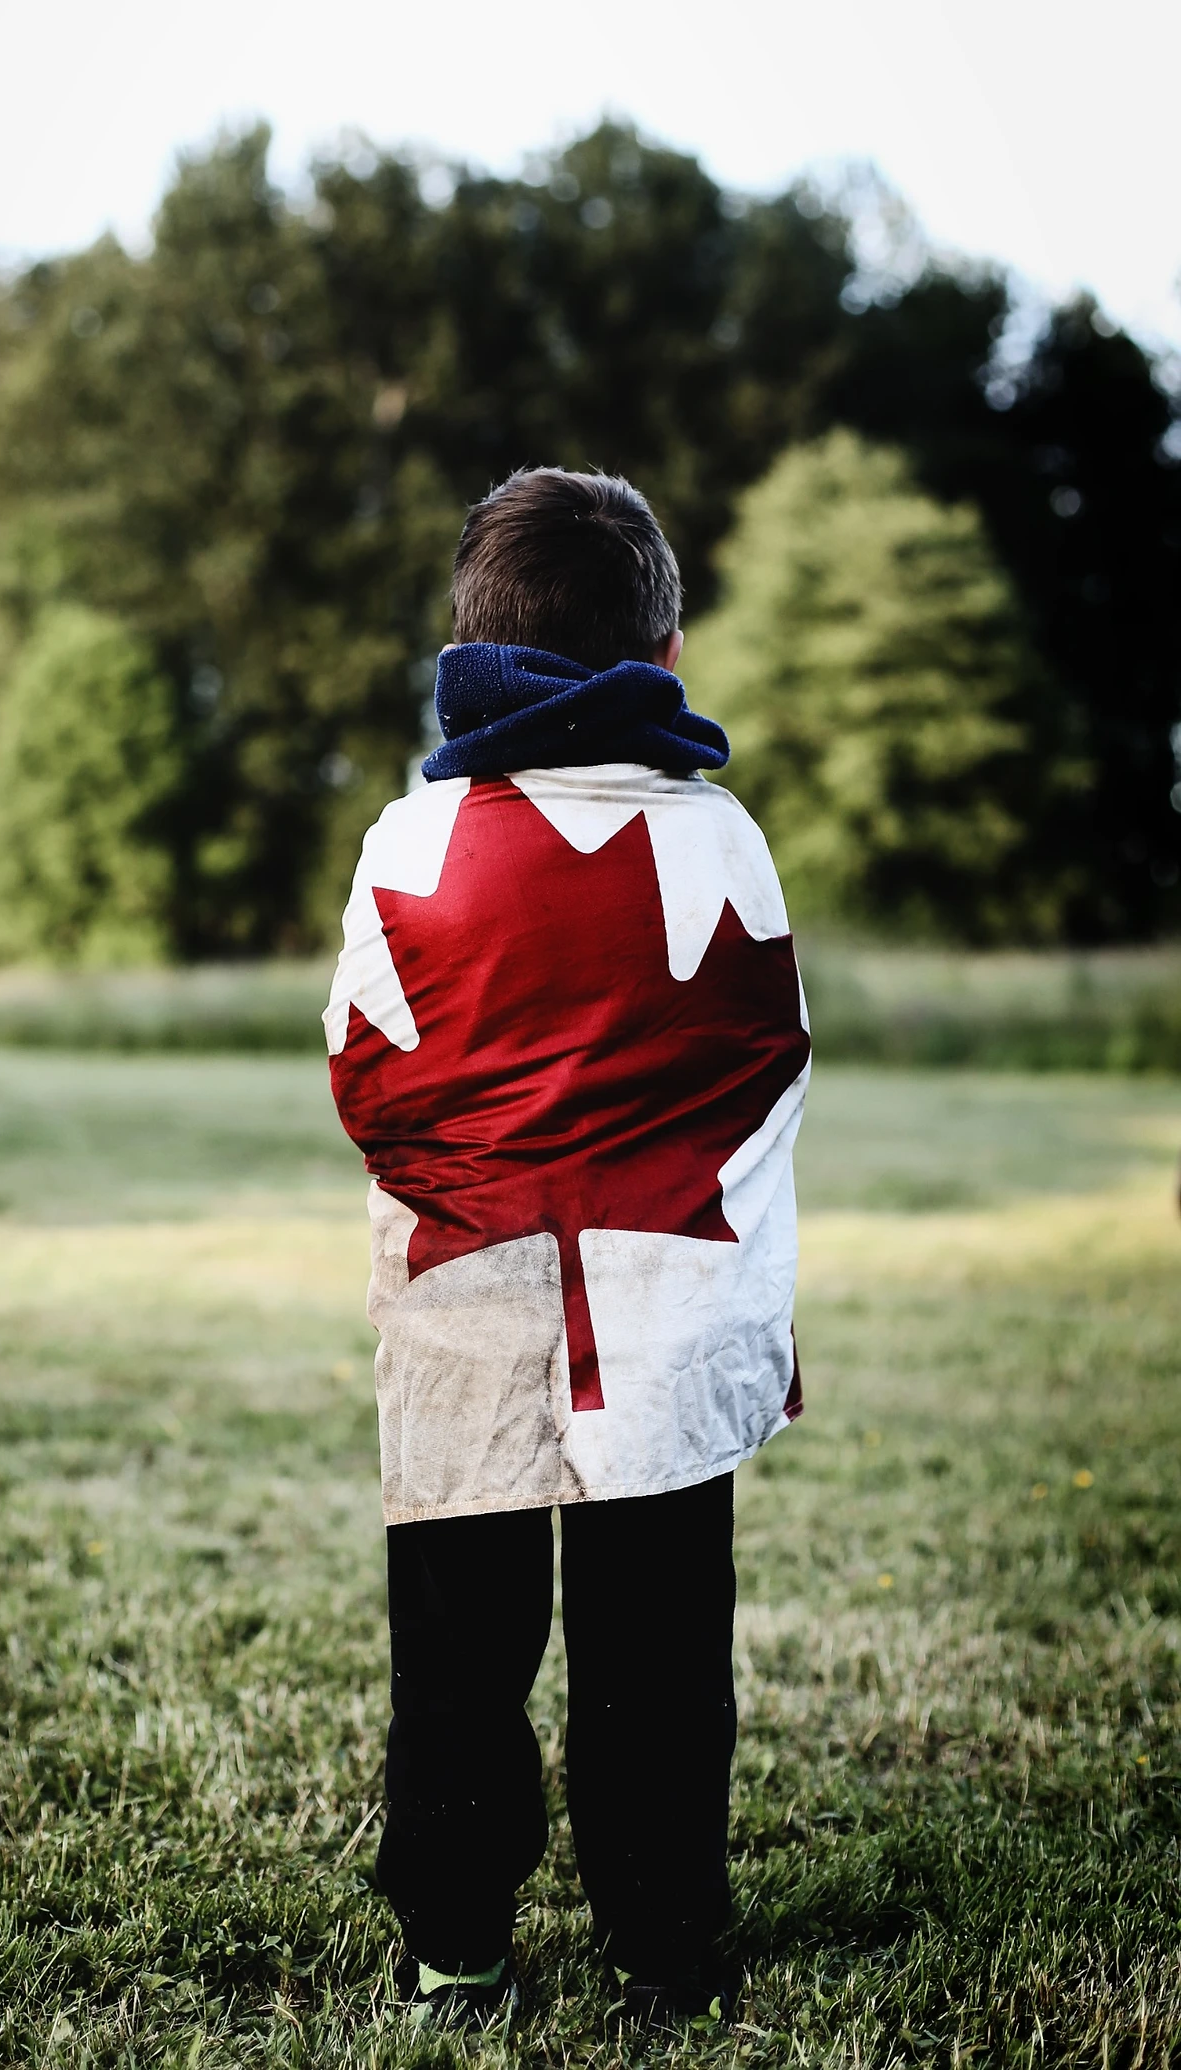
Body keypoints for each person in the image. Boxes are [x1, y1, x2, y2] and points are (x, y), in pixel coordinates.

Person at [325, 467, 811, 2031]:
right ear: (664, 652)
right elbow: (770, 1052)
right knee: (664, 1653)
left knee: (457, 1654)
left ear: (472, 640)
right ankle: (664, 1943)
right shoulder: (721, 835)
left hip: (464, 1308)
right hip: (668, 1315)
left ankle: (457, 1939)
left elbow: (365, 1075)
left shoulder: (410, 843)